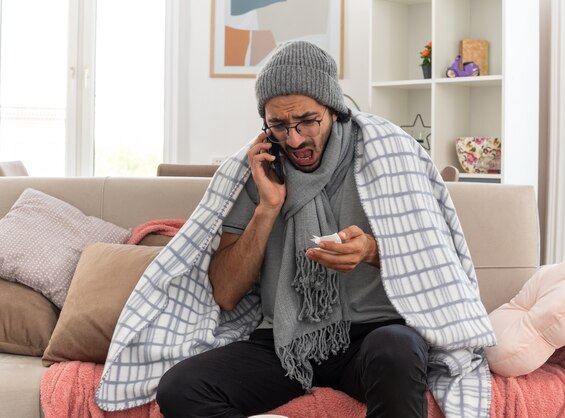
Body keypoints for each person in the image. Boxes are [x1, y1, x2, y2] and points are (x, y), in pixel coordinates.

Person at [99, 40, 494, 418]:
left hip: (373, 337)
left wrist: (372, 251)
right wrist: (267, 208)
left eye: (307, 121)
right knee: (181, 387)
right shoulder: (255, 172)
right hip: (283, 341)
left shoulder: (386, 154)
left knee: (399, 349)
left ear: (334, 110)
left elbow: (431, 260)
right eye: (279, 125)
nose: (295, 139)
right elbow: (225, 292)